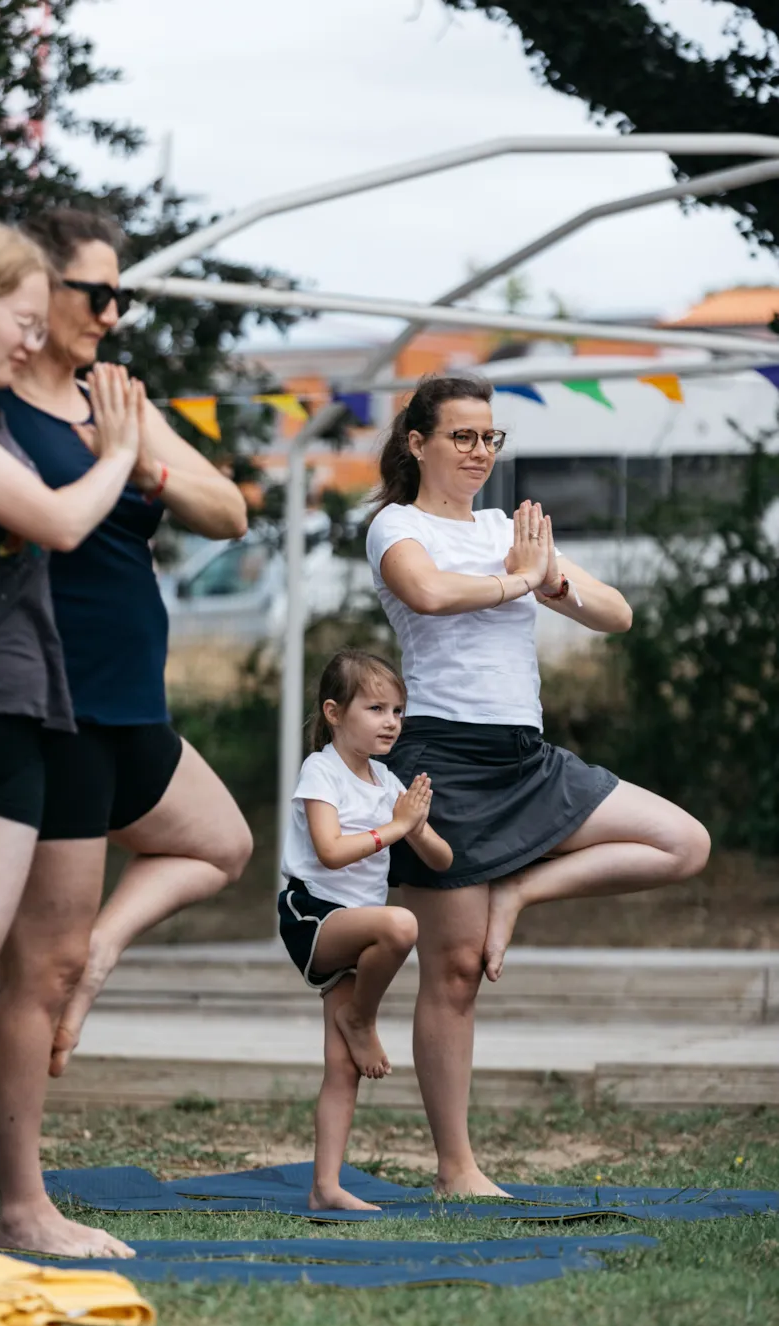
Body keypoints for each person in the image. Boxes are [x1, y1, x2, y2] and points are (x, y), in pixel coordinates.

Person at [0, 208, 252, 1257]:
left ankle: (89, 965)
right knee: (24, 964)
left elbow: (228, 510)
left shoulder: (108, 400)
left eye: (121, 297)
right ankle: (16, 1204)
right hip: (20, 699)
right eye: (91, 296)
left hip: (104, 695)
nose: (111, 315)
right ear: (17, 300)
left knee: (211, 850)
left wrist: (133, 453)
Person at [365, 374, 711, 1197]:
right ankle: (458, 1169)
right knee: (451, 973)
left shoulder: (506, 528)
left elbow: (617, 612)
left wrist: (554, 581)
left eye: (490, 438)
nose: (480, 452)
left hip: (527, 755)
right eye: (462, 436)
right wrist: (519, 581)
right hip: (441, 758)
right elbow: (429, 592)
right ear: (418, 444)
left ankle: (516, 889)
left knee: (683, 841)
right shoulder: (395, 525)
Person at [278, 649, 452, 1212]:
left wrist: (415, 828)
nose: (390, 722)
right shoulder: (321, 770)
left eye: (398, 711)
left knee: (342, 1067)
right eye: (376, 708)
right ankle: (362, 1017)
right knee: (402, 924)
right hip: (313, 915)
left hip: (356, 929)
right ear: (333, 712)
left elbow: (443, 860)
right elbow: (329, 853)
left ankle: (325, 1186)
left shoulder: (385, 779)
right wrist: (392, 828)